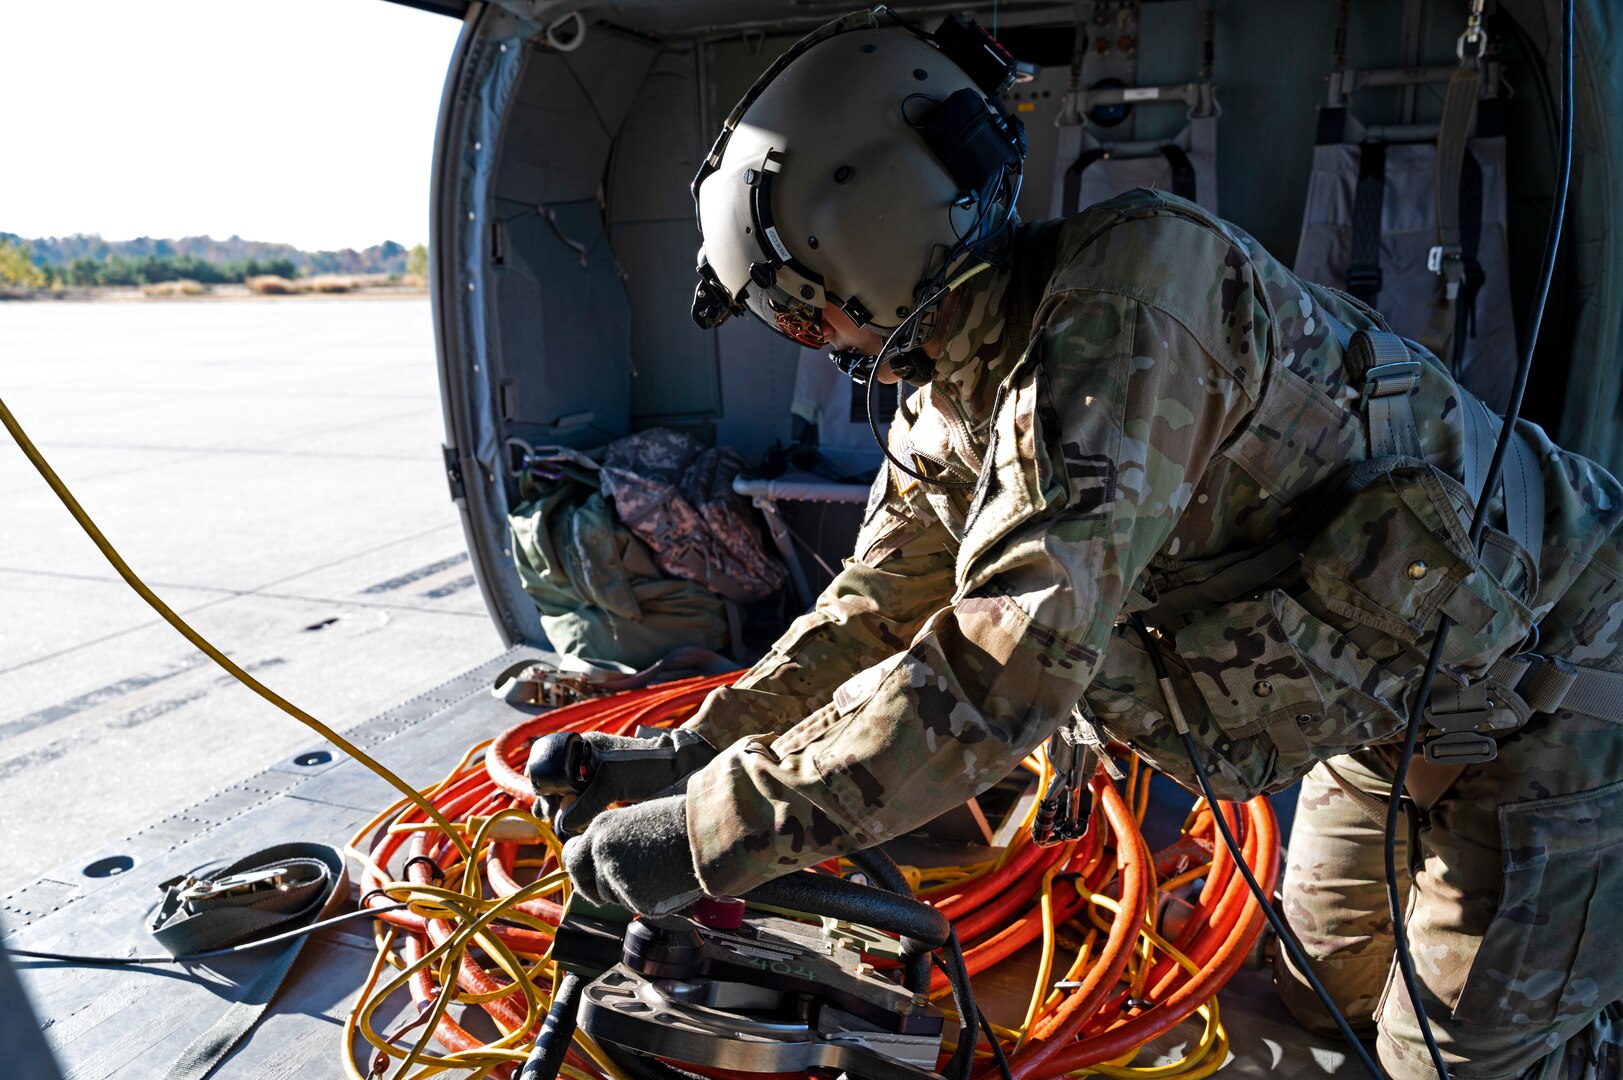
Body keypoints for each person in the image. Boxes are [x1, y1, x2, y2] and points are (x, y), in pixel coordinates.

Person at [549, 10, 1623, 1078]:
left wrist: (703, 836)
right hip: (1393, 706)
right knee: (1312, 1003)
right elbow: (873, 612)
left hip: (1559, 698)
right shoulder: (952, 389)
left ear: (868, 250)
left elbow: (999, 671)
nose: (817, 346)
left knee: (1445, 1064)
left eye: (798, 317)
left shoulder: (1130, 305)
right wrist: (704, 748)